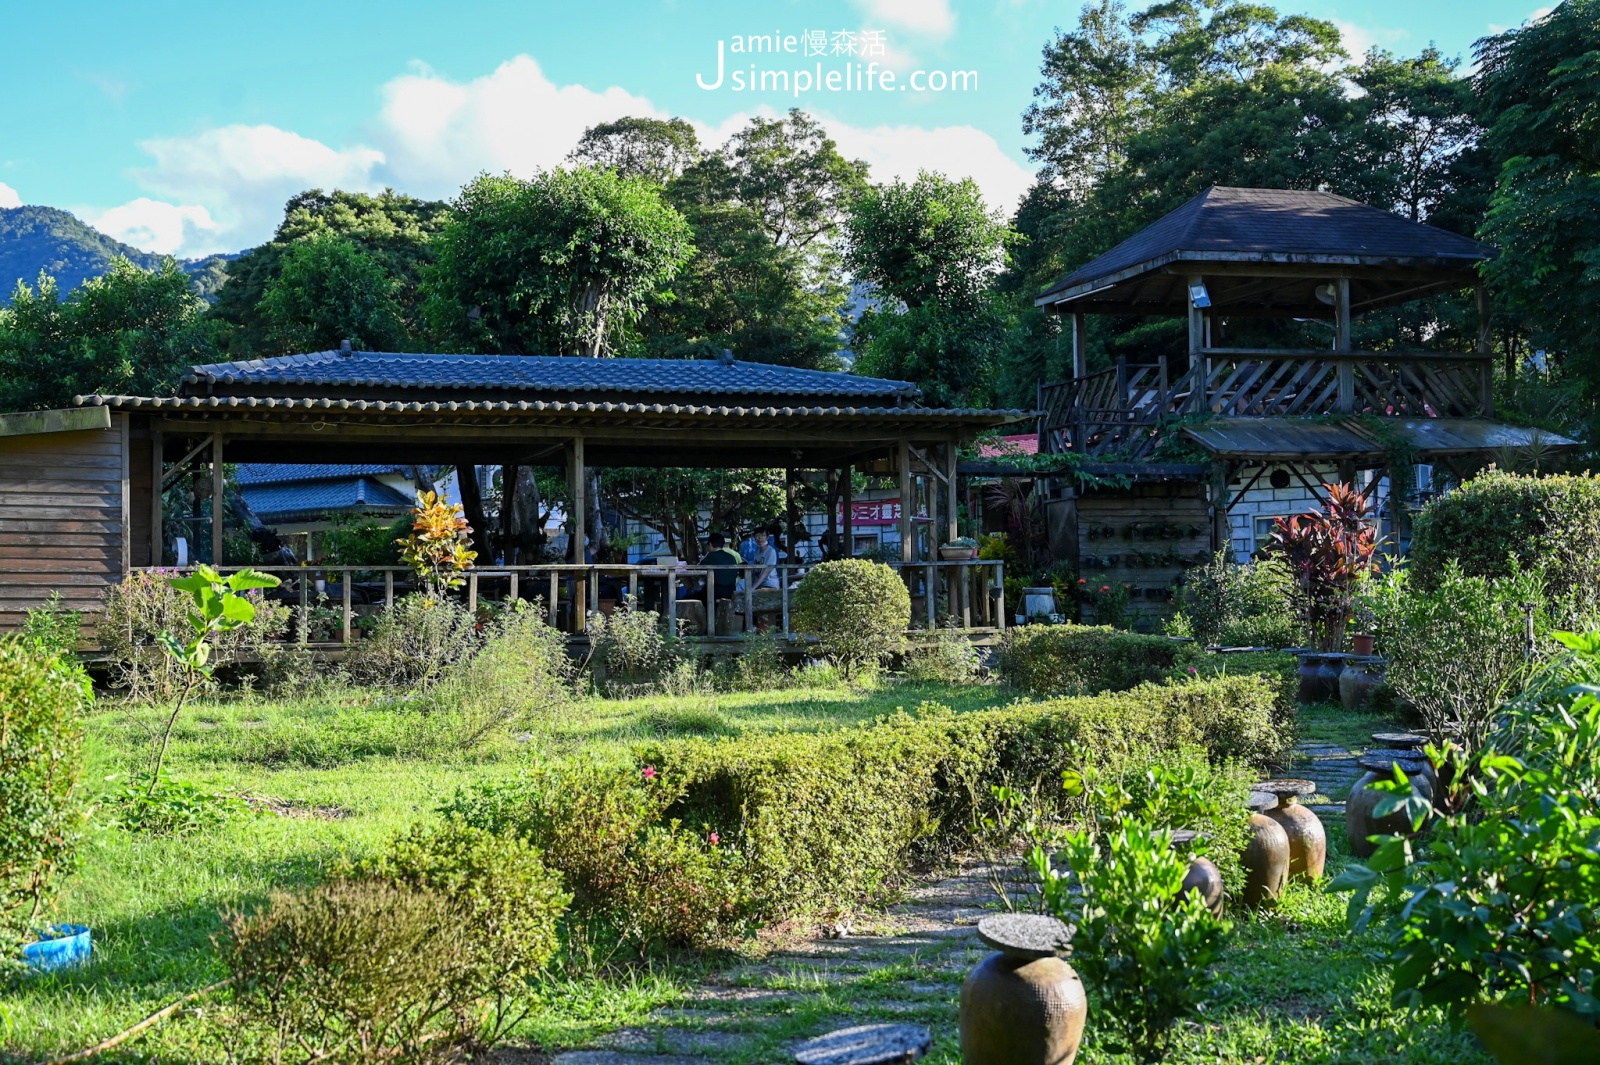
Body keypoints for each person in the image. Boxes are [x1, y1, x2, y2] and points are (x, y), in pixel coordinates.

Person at [699, 532, 743, 601]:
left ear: (710, 544)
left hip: (715, 592)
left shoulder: (710, 556)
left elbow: (699, 569)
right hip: (731, 591)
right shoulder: (731, 557)